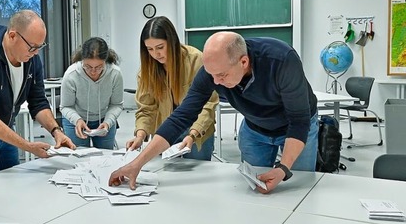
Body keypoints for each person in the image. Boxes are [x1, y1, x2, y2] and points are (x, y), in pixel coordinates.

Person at [110, 32, 319, 194]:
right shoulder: (212, 72)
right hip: (256, 129)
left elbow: (299, 121)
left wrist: (283, 168)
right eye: (212, 75)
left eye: (222, 75)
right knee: (257, 188)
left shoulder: (281, 60)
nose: (216, 83)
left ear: (243, 62)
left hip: (298, 130)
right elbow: (182, 116)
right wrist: (136, 164)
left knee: (298, 186)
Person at [0, 10, 75, 178]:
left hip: (6, 126)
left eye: (40, 47)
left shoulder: (31, 59)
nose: (36, 52)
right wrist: (27, 146)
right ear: (12, 36)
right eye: (32, 46)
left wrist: (56, 131)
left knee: (12, 180)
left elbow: (38, 101)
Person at [126, 16, 218, 159]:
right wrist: (140, 134)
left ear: (172, 41)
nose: (155, 54)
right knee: (166, 174)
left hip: (196, 128)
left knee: (197, 173)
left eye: (160, 47)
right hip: (166, 128)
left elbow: (208, 103)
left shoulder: (196, 60)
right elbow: (146, 108)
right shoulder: (147, 71)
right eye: (149, 49)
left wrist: (192, 134)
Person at [60, 37, 124, 149]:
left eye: (99, 67)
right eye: (88, 67)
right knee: (77, 156)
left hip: (104, 119)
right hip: (75, 120)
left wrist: (108, 122)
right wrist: (77, 120)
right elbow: (66, 106)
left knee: (106, 158)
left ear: (105, 61)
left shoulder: (115, 74)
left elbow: (116, 104)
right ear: (82, 60)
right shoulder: (71, 75)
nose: (93, 72)